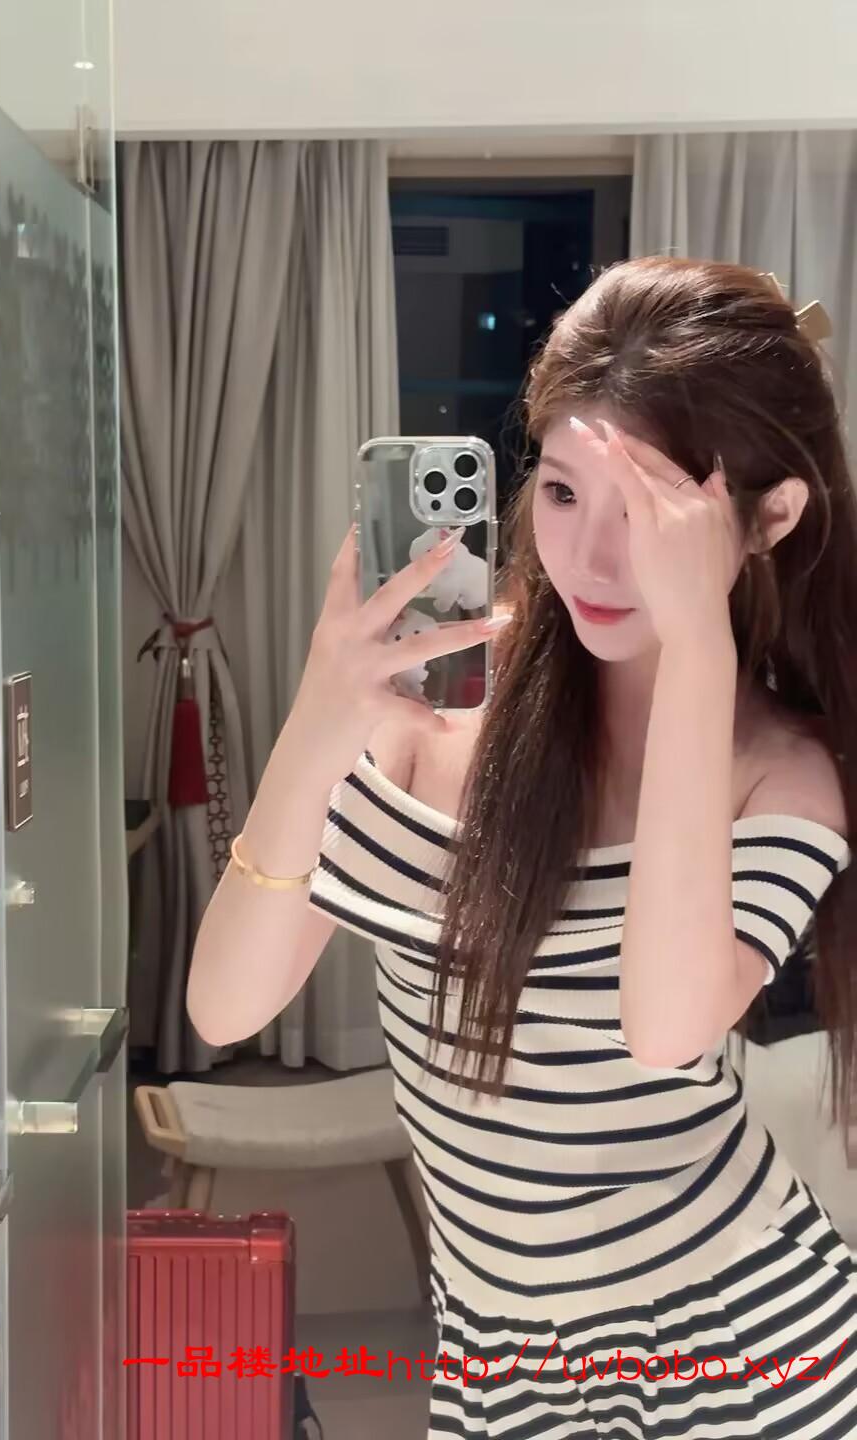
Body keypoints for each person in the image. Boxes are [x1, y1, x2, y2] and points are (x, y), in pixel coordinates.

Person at [187, 256, 857, 1437]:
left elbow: (666, 1028)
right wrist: (318, 720)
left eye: (646, 515)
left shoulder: (780, 774)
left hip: (741, 1351)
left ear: (770, 519)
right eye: (560, 493)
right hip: (498, 1361)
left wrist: (699, 649)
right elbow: (224, 1006)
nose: (591, 558)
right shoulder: (436, 707)